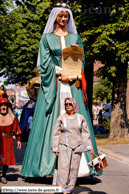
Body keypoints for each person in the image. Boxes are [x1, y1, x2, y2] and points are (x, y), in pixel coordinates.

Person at [21, 2, 102, 178]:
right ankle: (45, 169)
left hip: (73, 84)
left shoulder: (76, 38)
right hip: (55, 84)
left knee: (81, 121)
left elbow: (82, 61)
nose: (64, 19)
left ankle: (89, 168)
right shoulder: (47, 38)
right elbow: (44, 63)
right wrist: (60, 72)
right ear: (55, 17)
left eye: (66, 16)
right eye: (61, 16)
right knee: (50, 121)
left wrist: (75, 65)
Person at [51, 98, 93, 194]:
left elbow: (85, 132)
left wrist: (89, 146)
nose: (68, 105)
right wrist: (56, 148)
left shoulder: (80, 117)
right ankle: (62, 189)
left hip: (77, 147)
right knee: (63, 168)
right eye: (66, 104)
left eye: (70, 103)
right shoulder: (61, 118)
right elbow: (56, 133)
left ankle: (69, 189)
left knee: (74, 169)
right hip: (64, 146)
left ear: (74, 105)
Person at [0, 98, 22, 184]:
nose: (3, 107)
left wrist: (18, 140)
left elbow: (16, 130)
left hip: (8, 141)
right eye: (1, 105)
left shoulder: (13, 118)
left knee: (6, 159)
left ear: (8, 107)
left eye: (5, 105)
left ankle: (3, 175)